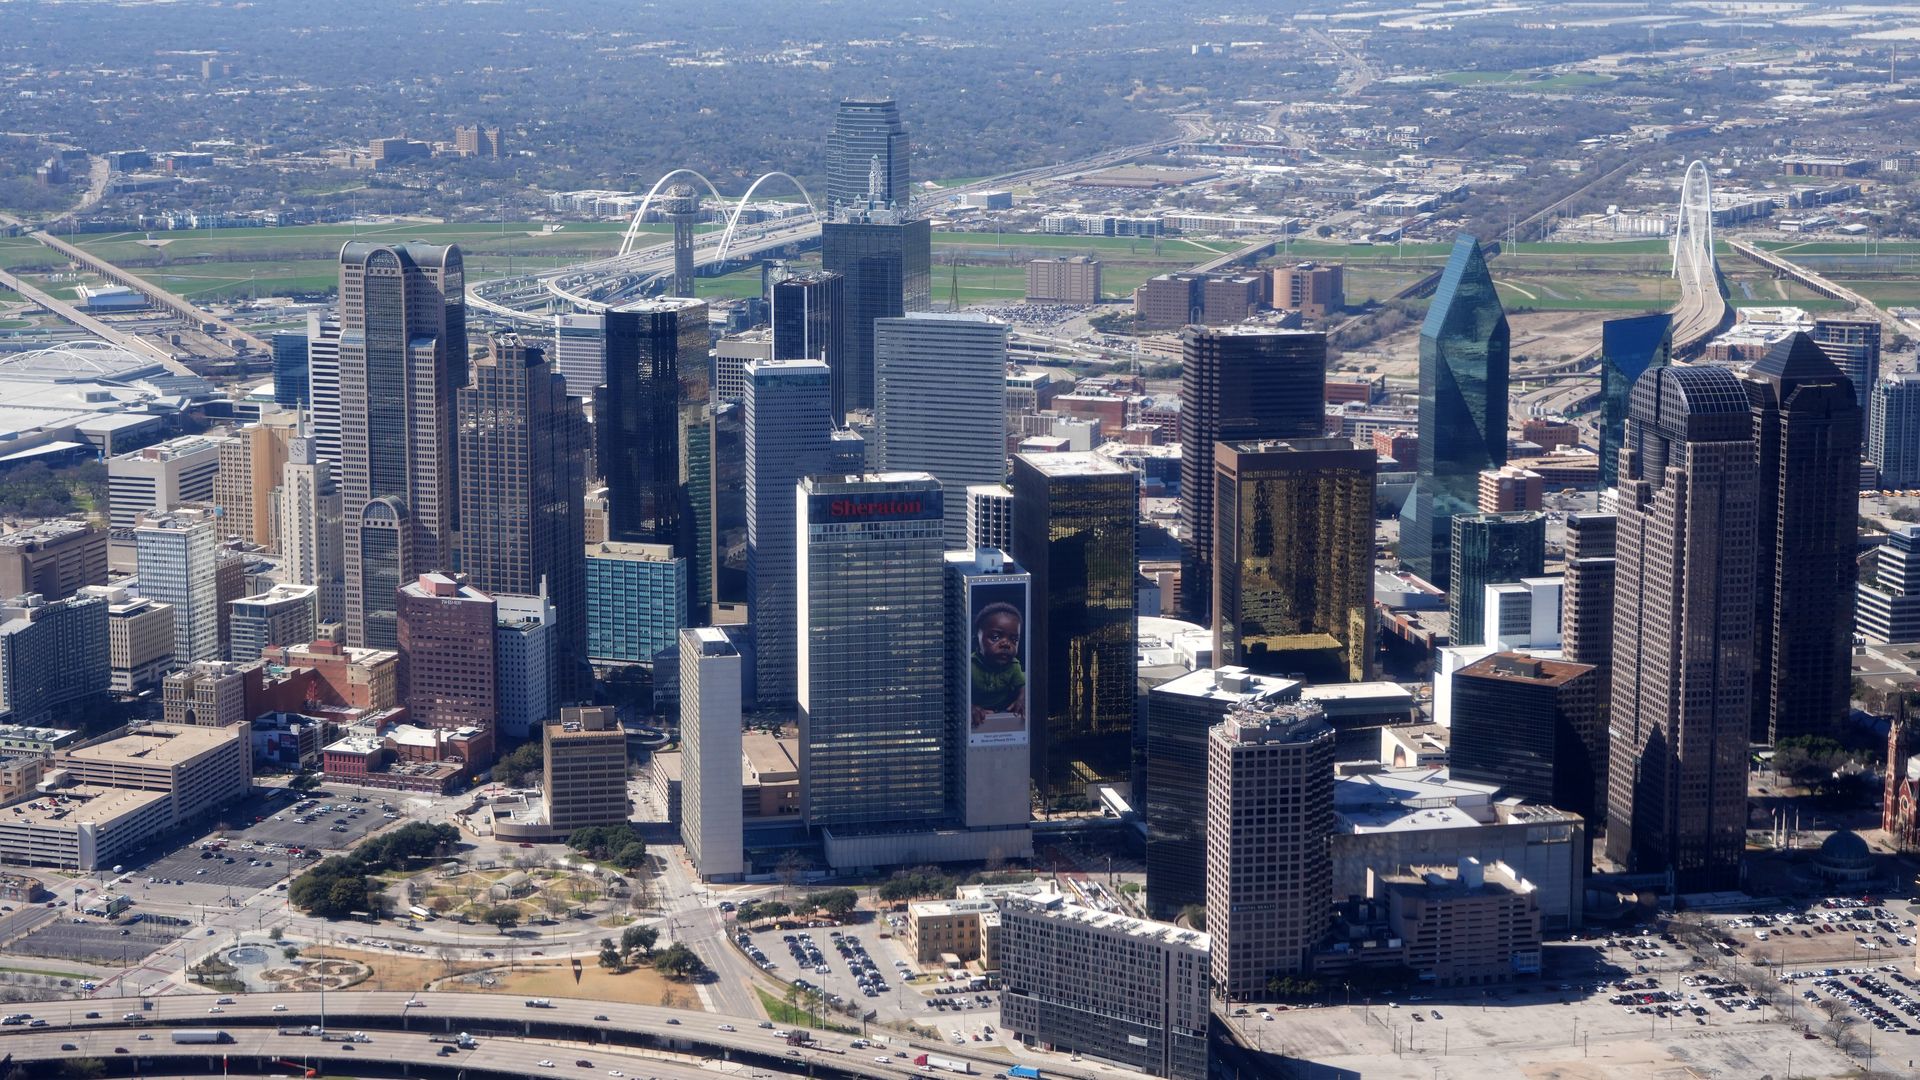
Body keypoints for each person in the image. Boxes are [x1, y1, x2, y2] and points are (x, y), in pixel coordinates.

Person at [971, 601, 1026, 733]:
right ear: (976, 641)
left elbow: (1022, 687)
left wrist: (1022, 700)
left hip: (1003, 717)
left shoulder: (1014, 665)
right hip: (977, 721)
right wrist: (969, 707)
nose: (1006, 644)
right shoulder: (969, 665)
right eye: (995, 637)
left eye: (1014, 639)